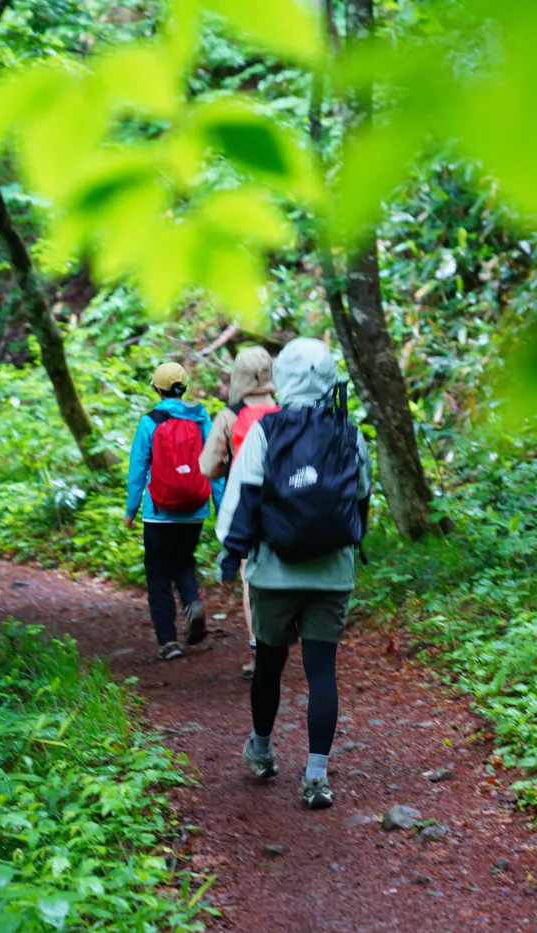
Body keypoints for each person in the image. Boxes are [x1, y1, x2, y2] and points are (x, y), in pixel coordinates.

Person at [215, 338, 371, 809]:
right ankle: (317, 776)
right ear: (329, 378)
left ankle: (262, 751)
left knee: (269, 661)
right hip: (331, 572)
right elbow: (361, 500)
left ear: (284, 378)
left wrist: (231, 553)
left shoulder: (267, 431)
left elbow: (245, 496)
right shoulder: (350, 432)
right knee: (322, 670)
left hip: (273, 573)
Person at [125, 362, 224, 660]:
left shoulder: (149, 422)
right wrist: (220, 507)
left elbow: (138, 468)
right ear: (184, 387)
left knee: (157, 573)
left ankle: (168, 641)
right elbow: (215, 466)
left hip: (158, 512)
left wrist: (130, 509)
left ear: (157, 388)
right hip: (194, 510)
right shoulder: (201, 418)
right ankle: (192, 602)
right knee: (183, 563)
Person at [200, 346, 278, 680]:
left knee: (251, 576)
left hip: (247, 506)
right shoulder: (287, 409)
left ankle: (259, 648)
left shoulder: (229, 416)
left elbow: (208, 467)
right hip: (288, 504)